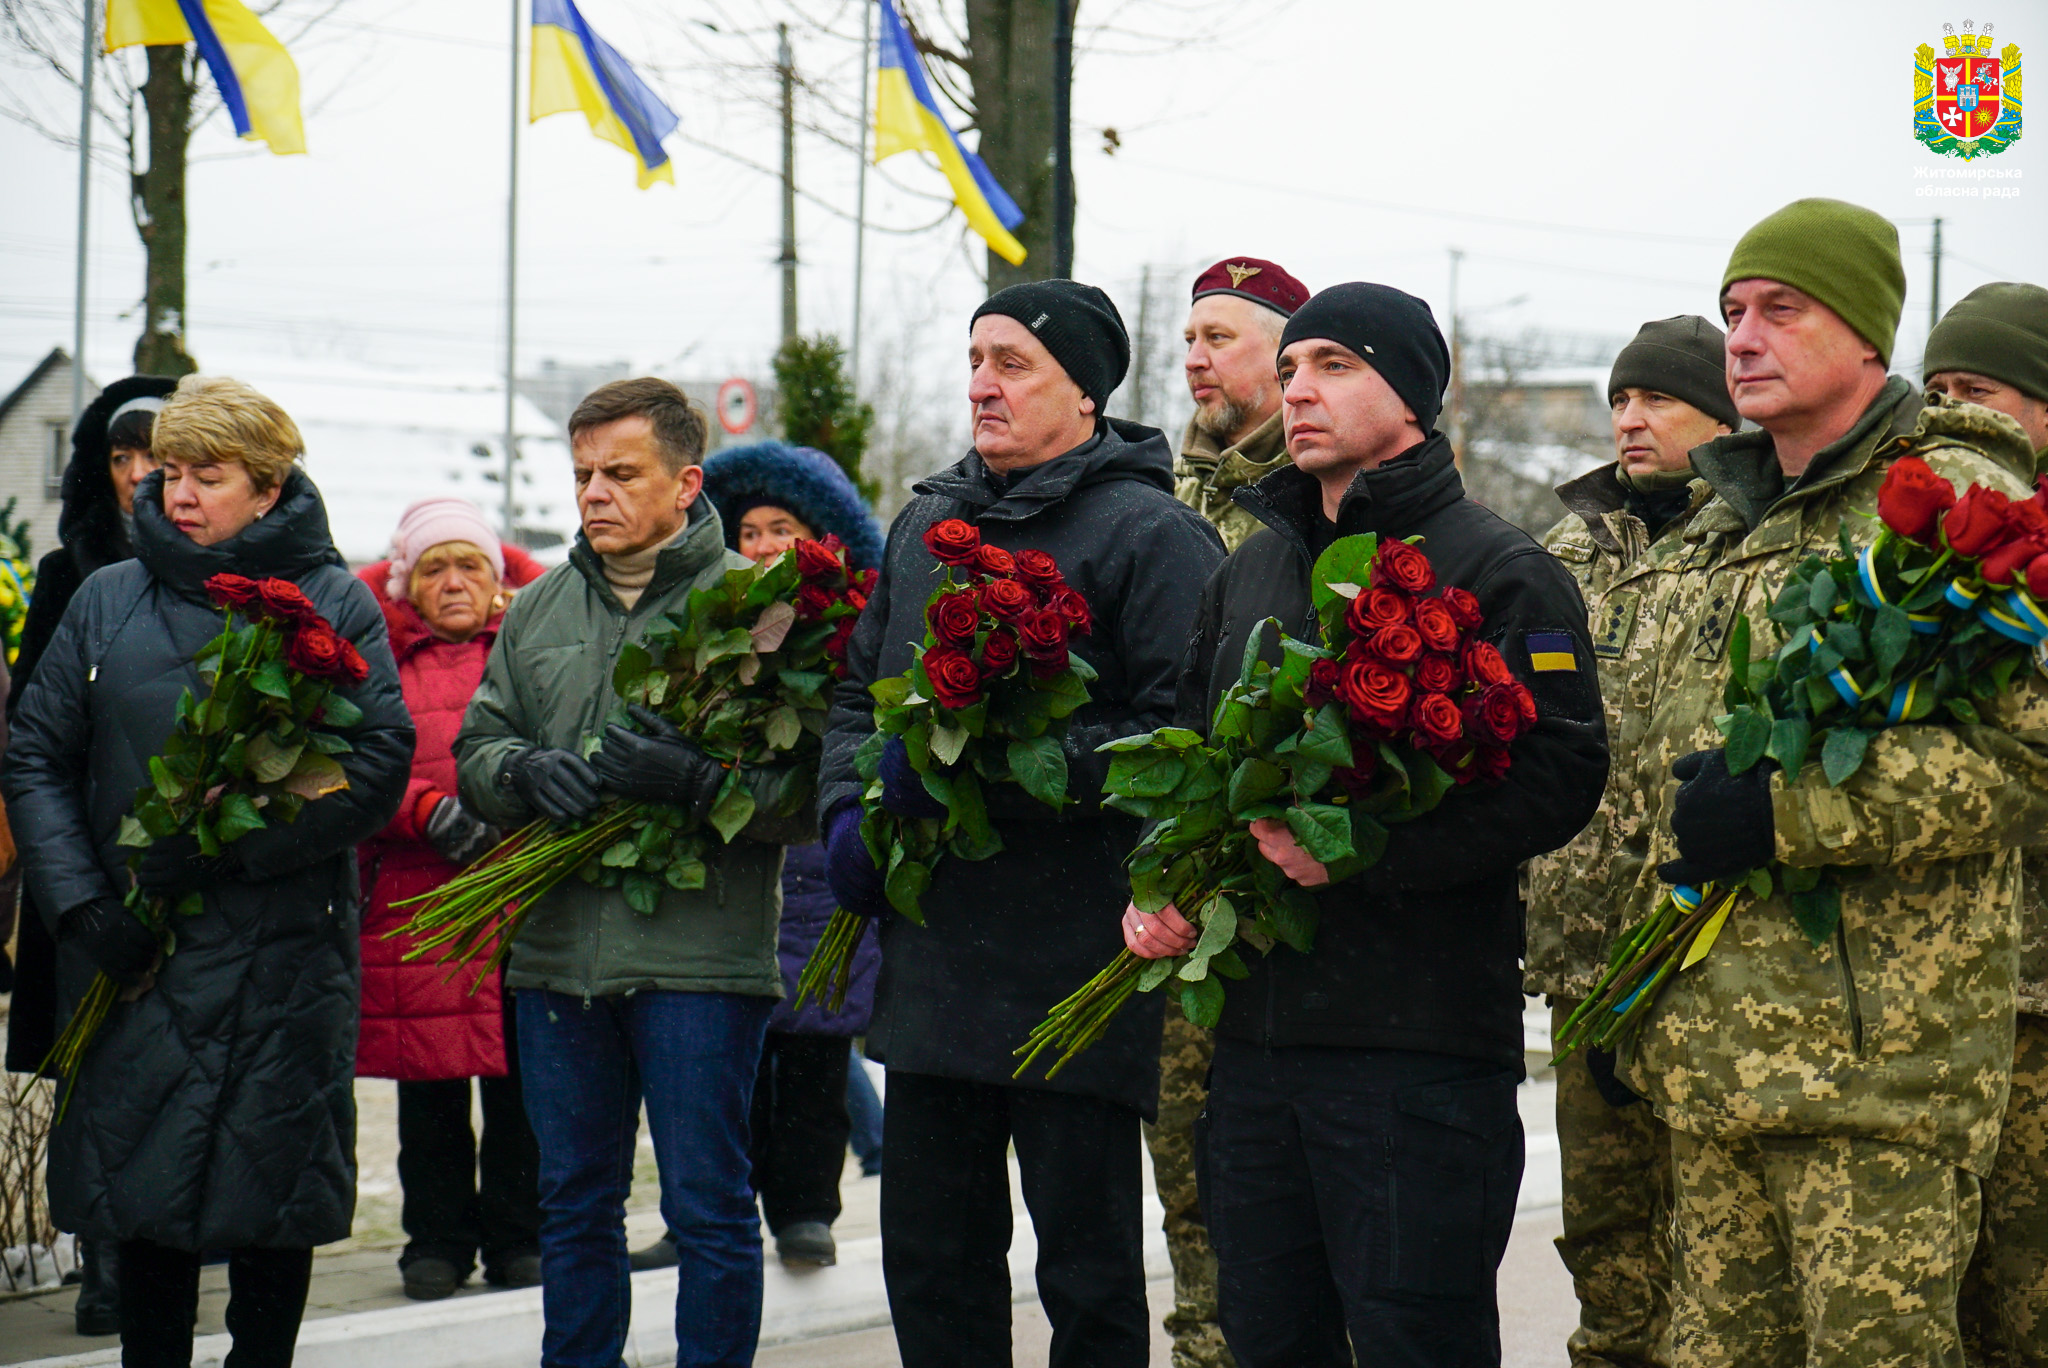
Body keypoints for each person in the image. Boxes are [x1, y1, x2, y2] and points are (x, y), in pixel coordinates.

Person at [1131, 282, 1609, 1367]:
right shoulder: (1250, 564)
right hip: (1252, 1053)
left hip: (1413, 1049)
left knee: (1414, 1341)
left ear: (1411, 393)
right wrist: (1159, 880)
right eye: (1291, 368)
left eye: (1334, 365)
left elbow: (1561, 775)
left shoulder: (1498, 567)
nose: (1298, 389)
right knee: (1266, 1339)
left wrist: (1367, 852)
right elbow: (1189, 747)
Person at [1621, 200, 2048, 1367]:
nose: (1741, 339)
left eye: (1778, 310)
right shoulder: (1717, 522)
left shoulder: (1956, 503)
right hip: (1711, 1067)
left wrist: (1783, 813)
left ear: (1865, 333)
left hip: (1876, 1083)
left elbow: (2030, 760)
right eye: (1730, 314)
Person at [818, 279, 1226, 1368]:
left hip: (1073, 957)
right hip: (937, 951)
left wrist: (987, 770)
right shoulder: (925, 526)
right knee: (933, 1260)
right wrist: (846, 812)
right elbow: (859, 694)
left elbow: (1178, 736)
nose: (982, 386)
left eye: (1013, 364)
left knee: (1085, 1272)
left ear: (1084, 391)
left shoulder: (1152, 534)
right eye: (975, 360)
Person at [3, 374, 413, 1368]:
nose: (176, 493)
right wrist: (84, 908)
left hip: (282, 959)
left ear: (268, 490)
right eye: (169, 472)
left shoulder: (329, 604)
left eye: (208, 476)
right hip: (135, 958)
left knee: (267, 1196)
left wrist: (233, 844)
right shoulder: (108, 598)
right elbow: (36, 754)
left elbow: (373, 762)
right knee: (141, 1199)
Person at [454, 378, 814, 1368]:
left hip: (701, 957)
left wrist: (697, 782)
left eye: (620, 473)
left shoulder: (753, 611)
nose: (594, 494)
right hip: (558, 953)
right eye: (581, 476)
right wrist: (522, 772)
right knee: (573, 1203)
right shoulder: (536, 610)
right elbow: (478, 746)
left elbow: (803, 794)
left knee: (705, 1204)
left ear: (684, 481)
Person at [1524, 316, 1736, 1368]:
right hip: (1582, 961)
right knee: (1603, 1238)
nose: (1629, 419)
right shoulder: (1565, 549)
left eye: (1655, 399)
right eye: (1619, 399)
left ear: (1722, 415)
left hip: (1702, 956)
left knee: (1715, 1253)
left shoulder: (1749, 537)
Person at [629, 440, 886, 1275]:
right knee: (711, 1063)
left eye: (786, 527)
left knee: (812, 1053)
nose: (768, 543)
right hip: (722, 862)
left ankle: (807, 1209)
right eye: (752, 529)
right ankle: (704, 1206)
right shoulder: (710, 621)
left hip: (814, 866)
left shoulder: (857, 623)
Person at [1153, 255, 1309, 1368]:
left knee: (1273, 1198)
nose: (1197, 360)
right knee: (1183, 1179)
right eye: (1190, 340)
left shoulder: (1309, 497)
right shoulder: (1157, 500)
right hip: (1170, 897)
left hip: (1282, 897)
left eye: (1222, 338)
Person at [4, 374, 174, 1338]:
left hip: (192, 858)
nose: (141, 474)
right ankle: (103, 1263)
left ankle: (175, 1248)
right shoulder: (73, 576)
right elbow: (33, 732)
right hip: (87, 863)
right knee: (93, 1065)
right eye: (121, 456)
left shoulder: (229, 571)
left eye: (157, 453)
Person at [355, 498, 546, 1301]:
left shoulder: (528, 648)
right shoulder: (379, 657)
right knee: (429, 1091)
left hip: (520, 900)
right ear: (408, 583)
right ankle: (434, 1244)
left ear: (498, 580)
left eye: (471, 564)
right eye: (435, 567)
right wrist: (427, 811)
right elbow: (355, 756)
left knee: (522, 1090)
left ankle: (519, 1239)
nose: (455, 581)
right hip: (417, 905)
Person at [1922, 281, 2048, 1368]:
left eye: (1984, 391)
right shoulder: (1929, 552)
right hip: (1943, 1003)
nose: (1956, 412)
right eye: (1938, 389)